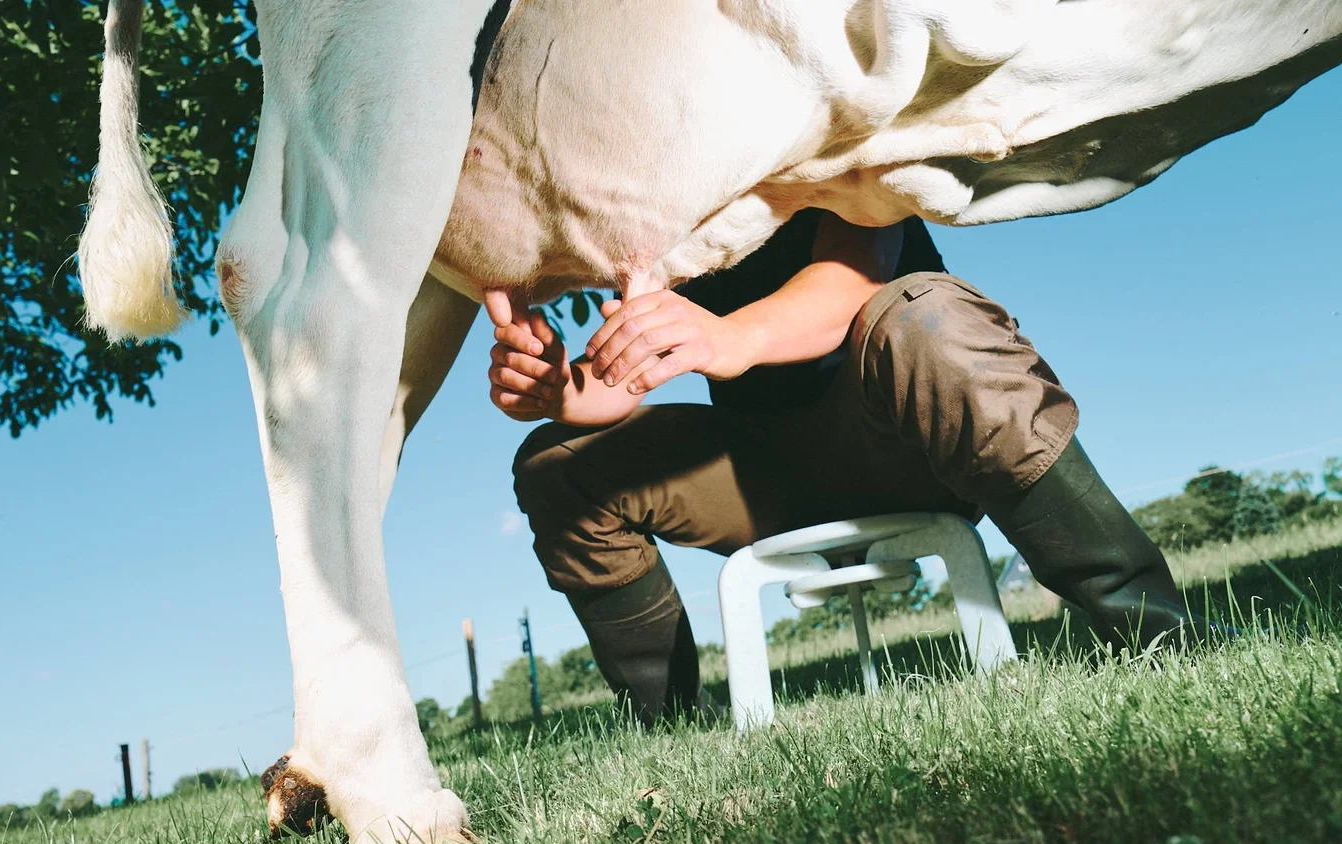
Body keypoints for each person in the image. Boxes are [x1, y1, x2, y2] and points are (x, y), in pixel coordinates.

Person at [486, 209, 1198, 723]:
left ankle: (1156, 629)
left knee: (924, 317)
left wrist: (730, 335)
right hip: (766, 469)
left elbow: (845, 286)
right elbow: (625, 375)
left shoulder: (839, 127)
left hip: (907, 443)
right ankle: (672, 724)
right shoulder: (672, 205)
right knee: (558, 464)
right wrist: (557, 390)